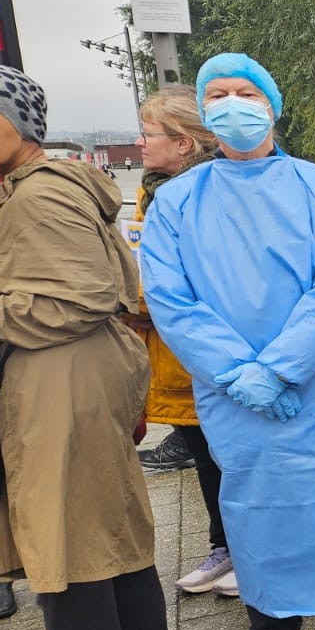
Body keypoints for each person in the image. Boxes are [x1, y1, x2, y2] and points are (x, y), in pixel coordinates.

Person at [141, 53, 315, 630]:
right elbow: (172, 299)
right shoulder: (176, 204)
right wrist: (236, 372)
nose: (232, 103)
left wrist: (278, 367)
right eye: (217, 93)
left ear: (272, 105)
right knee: (253, 516)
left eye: (245, 92)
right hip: (235, 398)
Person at [0, 64, 176, 630]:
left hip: (59, 373)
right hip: (84, 369)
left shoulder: (38, 194)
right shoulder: (55, 186)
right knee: (105, 513)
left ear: (19, 127)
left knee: (62, 523)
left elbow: (81, 296)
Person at [129, 85, 237, 598]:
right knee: (204, 456)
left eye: (149, 134)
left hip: (207, 353)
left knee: (229, 459)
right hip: (171, 355)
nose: (140, 144)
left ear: (184, 144)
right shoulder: (151, 194)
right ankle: (224, 547)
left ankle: (247, 552)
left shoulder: (210, 196)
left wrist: (138, 300)